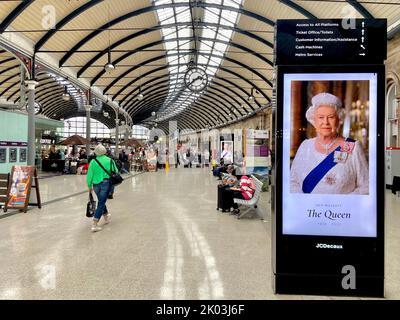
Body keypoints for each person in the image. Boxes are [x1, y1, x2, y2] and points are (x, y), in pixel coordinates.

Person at [290, 92, 369, 194]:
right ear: (314, 121)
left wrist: (344, 204)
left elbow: (366, 186)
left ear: (339, 120)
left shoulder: (352, 147)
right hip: (309, 209)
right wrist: (304, 203)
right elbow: (293, 182)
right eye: (321, 117)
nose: (326, 122)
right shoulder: (305, 146)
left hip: (342, 209)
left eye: (331, 117)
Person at [86, 144, 116, 232]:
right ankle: (94, 224)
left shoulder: (93, 161)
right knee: (101, 203)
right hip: (106, 184)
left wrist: (89, 185)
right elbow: (116, 171)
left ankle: (106, 216)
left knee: (101, 200)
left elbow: (89, 175)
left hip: (95, 185)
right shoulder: (110, 160)